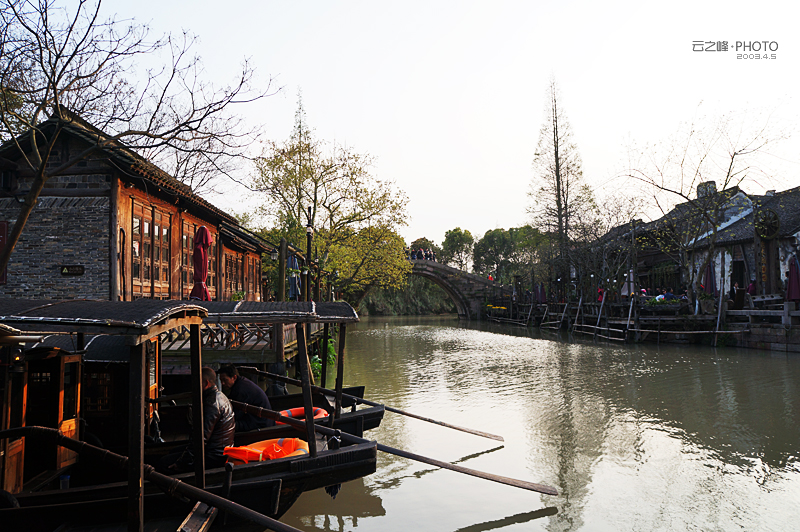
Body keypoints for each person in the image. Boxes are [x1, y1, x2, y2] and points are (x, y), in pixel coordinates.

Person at [158, 367, 235, 473]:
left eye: (196, 383)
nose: (193, 386)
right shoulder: (220, 396)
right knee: (173, 451)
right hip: (219, 450)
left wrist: (181, 463)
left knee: (163, 463)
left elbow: (201, 438)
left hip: (214, 456)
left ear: (206, 383)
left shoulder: (211, 404)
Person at [217, 365, 274, 431]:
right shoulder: (241, 383)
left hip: (260, 422)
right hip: (258, 418)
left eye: (225, 380)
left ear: (234, 377)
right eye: (221, 380)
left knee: (227, 426)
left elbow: (236, 415)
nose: (222, 383)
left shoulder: (240, 390)